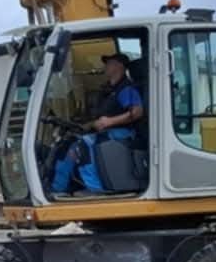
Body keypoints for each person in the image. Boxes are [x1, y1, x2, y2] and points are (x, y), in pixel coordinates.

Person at [49, 52, 145, 195]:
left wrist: (110, 121)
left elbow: (137, 112)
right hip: (108, 132)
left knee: (84, 145)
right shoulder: (109, 90)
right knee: (69, 145)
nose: (105, 66)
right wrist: (84, 126)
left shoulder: (126, 89)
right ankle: (57, 189)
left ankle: (95, 189)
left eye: (109, 63)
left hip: (123, 133)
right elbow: (101, 119)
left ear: (118, 66)